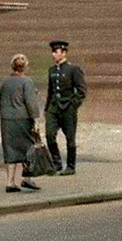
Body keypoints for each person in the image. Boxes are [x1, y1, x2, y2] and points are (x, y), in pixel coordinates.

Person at [0, 53, 41, 193]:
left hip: (7, 120)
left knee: (10, 150)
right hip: (23, 119)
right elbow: (31, 103)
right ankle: (27, 179)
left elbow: (1, 102)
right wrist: (36, 119)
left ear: (12, 66)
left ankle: (10, 182)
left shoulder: (5, 82)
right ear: (25, 67)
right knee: (27, 148)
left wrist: (4, 115)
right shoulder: (27, 82)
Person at [45, 40, 86, 175]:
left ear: (63, 53)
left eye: (56, 52)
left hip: (68, 108)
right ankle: (56, 163)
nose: (53, 55)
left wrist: (73, 105)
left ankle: (71, 166)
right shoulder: (51, 70)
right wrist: (47, 109)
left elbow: (81, 91)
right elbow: (50, 91)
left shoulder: (73, 69)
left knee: (70, 138)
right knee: (49, 135)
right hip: (54, 107)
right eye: (53, 52)